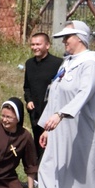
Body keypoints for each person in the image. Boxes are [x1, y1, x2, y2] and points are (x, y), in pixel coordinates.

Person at [23, 20, 95, 188]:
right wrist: (46, 127)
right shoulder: (67, 63)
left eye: (68, 37)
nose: (63, 41)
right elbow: (54, 95)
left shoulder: (91, 65)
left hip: (83, 131)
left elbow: (84, 94)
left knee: (87, 175)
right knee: (47, 169)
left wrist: (61, 114)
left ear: (80, 38)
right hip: (59, 130)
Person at [23, 32, 62, 161]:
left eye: (38, 44)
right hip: (35, 112)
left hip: (51, 112)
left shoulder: (58, 64)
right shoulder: (29, 64)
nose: (35, 47)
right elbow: (26, 86)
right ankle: (38, 173)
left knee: (51, 143)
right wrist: (28, 100)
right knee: (38, 142)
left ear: (47, 45)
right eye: (32, 44)